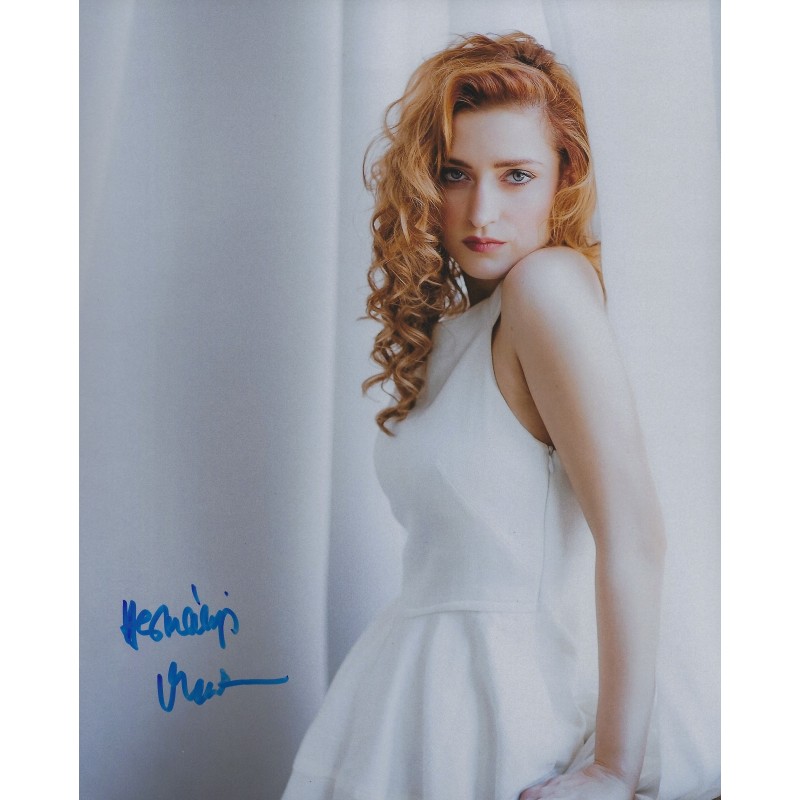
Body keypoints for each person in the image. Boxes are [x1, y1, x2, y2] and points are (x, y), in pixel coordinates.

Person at [282, 32, 665, 800]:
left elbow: (634, 534)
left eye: (517, 175)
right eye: (456, 174)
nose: (482, 211)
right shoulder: (460, 328)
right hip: (414, 691)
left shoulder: (545, 286)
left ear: (565, 178)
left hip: (505, 702)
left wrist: (614, 767)